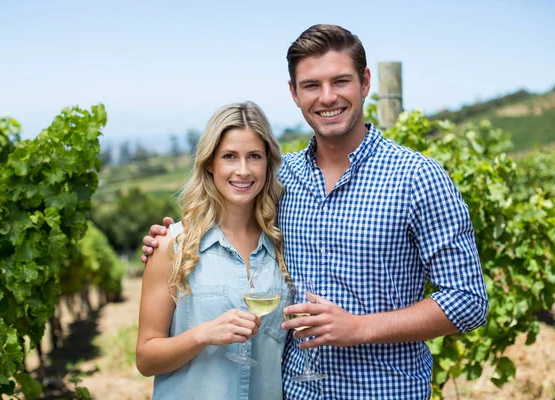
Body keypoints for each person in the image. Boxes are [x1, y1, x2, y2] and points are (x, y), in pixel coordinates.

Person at [141, 24, 488, 400]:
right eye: (311, 85)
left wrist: (360, 328)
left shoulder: (418, 178)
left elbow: (468, 301)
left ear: (365, 82)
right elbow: (226, 215)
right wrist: (168, 240)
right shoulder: (280, 179)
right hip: (293, 392)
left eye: (340, 81)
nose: (327, 97)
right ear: (294, 92)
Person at [136, 101, 290, 400]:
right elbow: (145, 358)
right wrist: (203, 335)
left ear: (268, 162)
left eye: (254, 156)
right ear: (210, 163)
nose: (243, 170)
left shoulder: (284, 245)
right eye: (229, 156)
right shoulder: (172, 245)